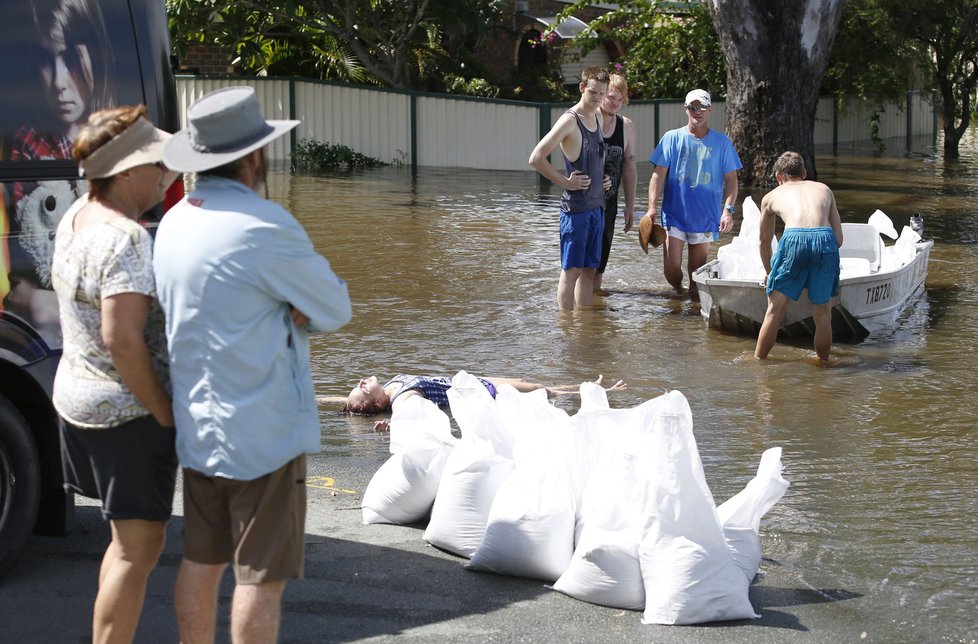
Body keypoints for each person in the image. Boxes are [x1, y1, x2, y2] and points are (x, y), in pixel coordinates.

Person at [154, 86, 352, 644]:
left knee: (201, 561)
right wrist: (295, 309)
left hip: (198, 426)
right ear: (254, 157)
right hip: (263, 434)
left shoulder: (173, 223)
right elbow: (335, 307)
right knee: (259, 578)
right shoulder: (267, 226)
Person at [50, 105, 177, 643]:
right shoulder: (126, 237)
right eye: (157, 165)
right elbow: (121, 338)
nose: (166, 175)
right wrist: (164, 411)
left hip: (76, 399)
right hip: (125, 416)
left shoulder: (76, 214)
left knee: (124, 543)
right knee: (138, 548)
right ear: (125, 172)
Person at [4, 0, 115, 340]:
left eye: (69, 58)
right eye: (45, 61)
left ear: (95, 55)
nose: (59, 83)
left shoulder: (122, 137)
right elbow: (25, 254)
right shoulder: (29, 144)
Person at [645, 89, 742, 294]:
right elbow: (657, 175)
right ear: (686, 109)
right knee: (671, 269)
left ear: (710, 109)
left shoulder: (722, 142)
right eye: (693, 107)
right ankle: (678, 292)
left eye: (702, 107)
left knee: (696, 277)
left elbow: (732, 180)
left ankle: (690, 307)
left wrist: (728, 211)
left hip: (706, 217)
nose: (697, 111)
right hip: (674, 214)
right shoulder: (671, 138)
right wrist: (651, 207)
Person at [529, 66, 609, 310]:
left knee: (589, 270)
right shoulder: (569, 120)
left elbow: (597, 157)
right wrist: (566, 182)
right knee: (571, 270)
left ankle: (582, 329)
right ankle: (565, 330)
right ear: (582, 88)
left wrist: (605, 179)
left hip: (597, 206)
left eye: (602, 94)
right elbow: (536, 158)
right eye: (593, 92)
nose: (597, 98)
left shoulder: (599, 116)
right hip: (575, 210)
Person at [755, 151, 843, 362]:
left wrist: (770, 273)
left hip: (793, 238)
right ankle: (823, 364)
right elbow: (838, 239)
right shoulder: (824, 189)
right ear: (804, 173)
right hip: (825, 240)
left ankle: (759, 362)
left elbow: (764, 242)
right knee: (823, 313)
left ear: (778, 177)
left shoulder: (771, 197)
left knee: (774, 311)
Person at [330, 373, 628, 431]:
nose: (360, 383)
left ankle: (586, 384)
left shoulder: (391, 388)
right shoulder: (404, 399)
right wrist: (393, 427)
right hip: (483, 392)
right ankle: (601, 392)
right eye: (362, 390)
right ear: (379, 402)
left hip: (475, 381)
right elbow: (415, 417)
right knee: (539, 391)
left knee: (535, 383)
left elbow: (334, 398)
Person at [594, 72, 637, 293]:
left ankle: (592, 314)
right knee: (580, 263)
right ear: (601, 95)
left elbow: (629, 167)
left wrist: (630, 207)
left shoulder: (626, 126)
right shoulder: (587, 120)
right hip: (585, 202)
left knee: (600, 262)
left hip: (609, 204)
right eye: (611, 97)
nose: (615, 103)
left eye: (620, 100)